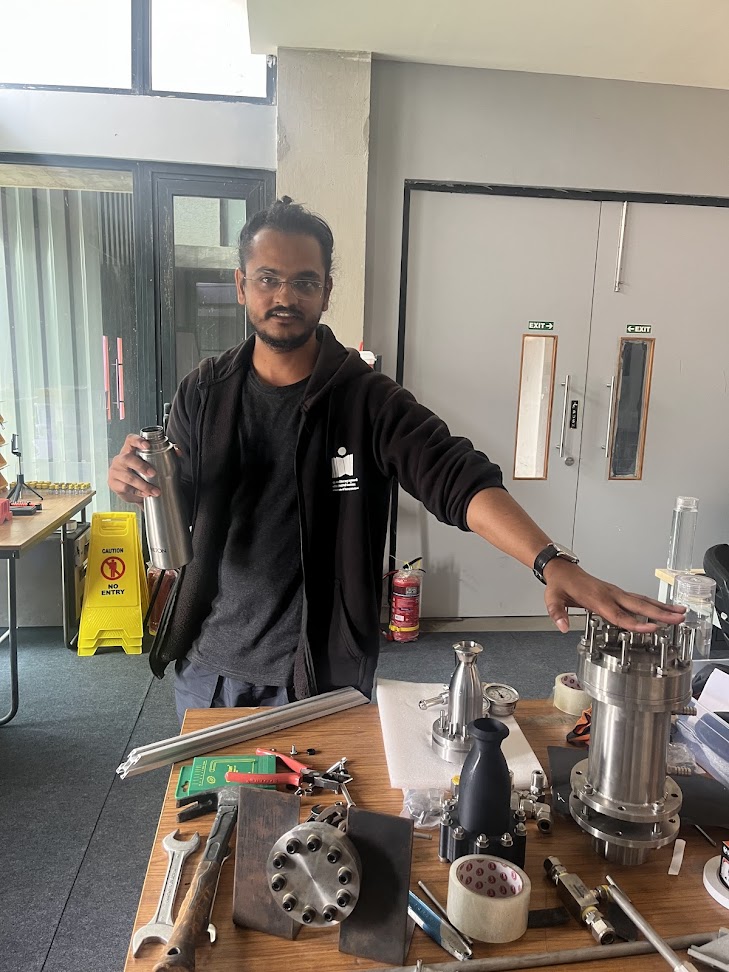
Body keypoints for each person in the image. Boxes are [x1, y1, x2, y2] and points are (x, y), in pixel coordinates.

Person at [108, 197, 684, 723]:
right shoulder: (204, 392)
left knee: (320, 827)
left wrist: (553, 564)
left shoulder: (366, 399)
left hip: (317, 671)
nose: (285, 296)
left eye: (304, 281)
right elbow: (177, 499)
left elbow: (455, 475)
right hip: (209, 668)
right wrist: (132, 479)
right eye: (268, 279)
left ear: (326, 291)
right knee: (211, 822)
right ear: (240, 285)